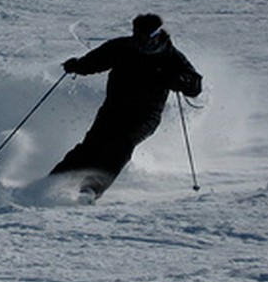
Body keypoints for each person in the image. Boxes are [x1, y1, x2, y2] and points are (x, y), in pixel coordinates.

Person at [51, 14, 202, 201]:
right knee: (91, 147)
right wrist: (77, 66)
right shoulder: (122, 47)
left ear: (156, 35)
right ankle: (52, 182)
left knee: (121, 145)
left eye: (145, 37)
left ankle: (91, 189)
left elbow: (194, 85)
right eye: (136, 35)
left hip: (146, 116)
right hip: (114, 109)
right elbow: (96, 61)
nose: (140, 41)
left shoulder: (171, 57)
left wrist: (183, 81)